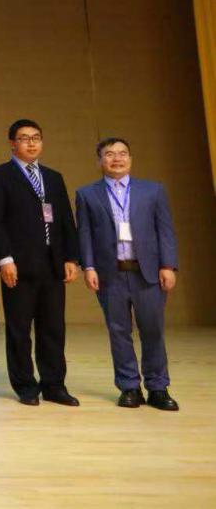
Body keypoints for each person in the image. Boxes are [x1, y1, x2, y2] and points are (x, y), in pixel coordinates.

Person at [76, 138, 179, 411]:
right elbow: (84, 234)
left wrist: (168, 265)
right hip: (110, 274)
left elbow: (165, 230)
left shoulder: (153, 191)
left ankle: (158, 388)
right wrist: (88, 267)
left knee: (153, 331)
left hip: (148, 274)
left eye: (122, 154)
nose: (117, 159)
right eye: (109, 154)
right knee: (119, 332)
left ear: (130, 159)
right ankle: (129, 386)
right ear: (100, 161)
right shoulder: (86, 194)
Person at [0, 119, 81, 407]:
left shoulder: (53, 177)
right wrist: (4, 259)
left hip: (52, 264)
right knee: (19, 330)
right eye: (24, 138)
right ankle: (25, 385)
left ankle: (54, 385)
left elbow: (65, 220)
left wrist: (71, 257)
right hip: (18, 265)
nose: (31, 143)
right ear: (12, 143)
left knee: (53, 329)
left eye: (36, 137)